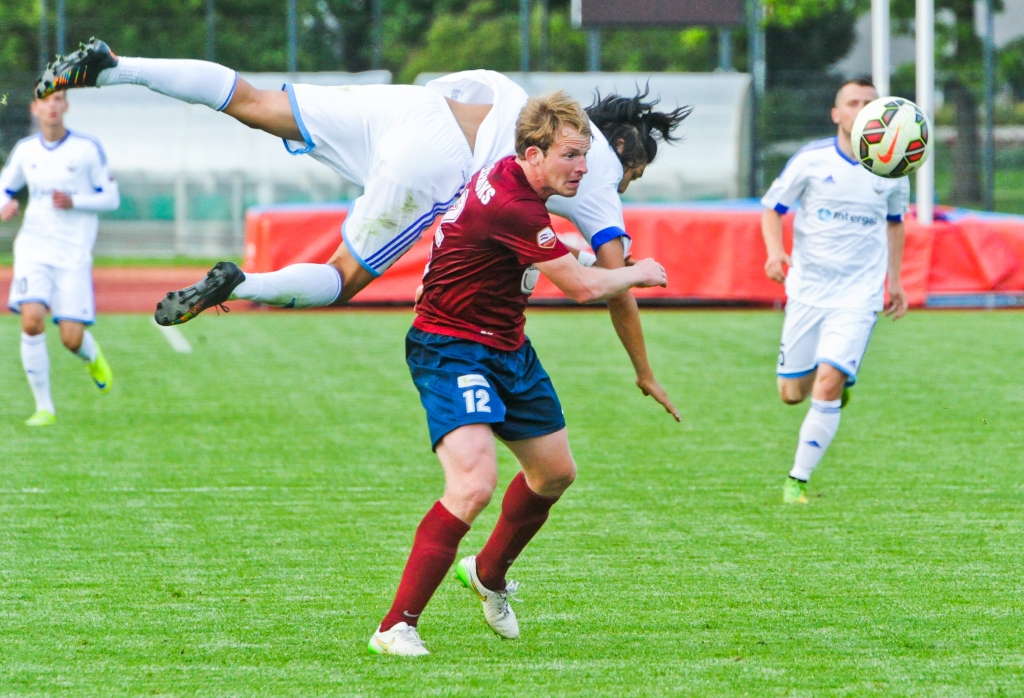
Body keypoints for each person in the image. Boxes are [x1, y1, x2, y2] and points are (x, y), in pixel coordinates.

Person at [37, 39, 686, 420]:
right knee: (345, 278)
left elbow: (446, 96)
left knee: (254, 103)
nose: (621, 187)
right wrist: (644, 369)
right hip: (435, 158)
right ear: (627, 153)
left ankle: (116, 66)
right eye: (634, 176)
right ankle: (246, 281)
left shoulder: (525, 100)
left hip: (405, 107)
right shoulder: (593, 165)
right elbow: (613, 285)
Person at [367, 92, 667, 656]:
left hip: (507, 345)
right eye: (573, 155)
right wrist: (640, 272)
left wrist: (570, 253)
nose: (583, 168)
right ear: (533, 154)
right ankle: (395, 627)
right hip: (450, 348)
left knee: (554, 473)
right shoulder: (515, 206)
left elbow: (535, 252)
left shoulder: (513, 182)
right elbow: (582, 288)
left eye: (586, 155)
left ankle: (487, 574)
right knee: (473, 484)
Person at [759, 78, 909, 504]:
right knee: (791, 394)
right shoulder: (812, 159)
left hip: (858, 294)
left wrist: (894, 281)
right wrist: (775, 252)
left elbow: (895, 222)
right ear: (837, 113)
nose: (861, 109)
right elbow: (773, 208)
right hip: (807, 289)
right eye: (852, 102)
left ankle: (797, 481)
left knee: (825, 384)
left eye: (869, 103)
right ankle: (835, 382)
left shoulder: (895, 165)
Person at [0, 91, 119, 426]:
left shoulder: (86, 148)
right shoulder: (26, 150)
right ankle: (44, 408)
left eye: (58, 99)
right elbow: (4, 187)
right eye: (45, 100)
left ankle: (91, 356)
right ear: (34, 107)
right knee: (31, 319)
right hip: (33, 248)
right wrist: (4, 206)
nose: (52, 105)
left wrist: (75, 200)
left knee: (71, 338)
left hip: (73, 254)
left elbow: (111, 197)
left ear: (65, 106)